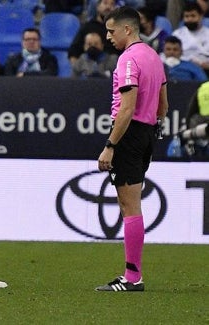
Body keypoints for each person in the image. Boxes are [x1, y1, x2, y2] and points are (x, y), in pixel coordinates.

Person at [96, 6, 168, 292]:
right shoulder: (153, 56)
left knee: (129, 206)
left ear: (127, 29)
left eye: (112, 31)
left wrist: (110, 145)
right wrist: (152, 127)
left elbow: (126, 109)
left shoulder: (128, 60)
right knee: (133, 204)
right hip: (147, 132)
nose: (108, 37)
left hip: (129, 134)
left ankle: (132, 277)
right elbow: (164, 105)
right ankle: (133, 275)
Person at [68, 0, 119, 65]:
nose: (108, 7)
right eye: (105, 3)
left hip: (111, 68)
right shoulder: (87, 27)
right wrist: (77, 71)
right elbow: (73, 51)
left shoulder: (117, 30)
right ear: (98, 7)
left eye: (112, 4)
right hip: (88, 67)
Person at [171, 2, 209, 77]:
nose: (189, 19)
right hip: (181, 68)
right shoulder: (177, 34)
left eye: (193, 16)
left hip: (205, 69)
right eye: (187, 16)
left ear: (201, 16)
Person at [184, 81, 209, 156]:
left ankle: (191, 145)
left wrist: (188, 132)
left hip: (202, 124)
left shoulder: (203, 88)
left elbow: (190, 113)